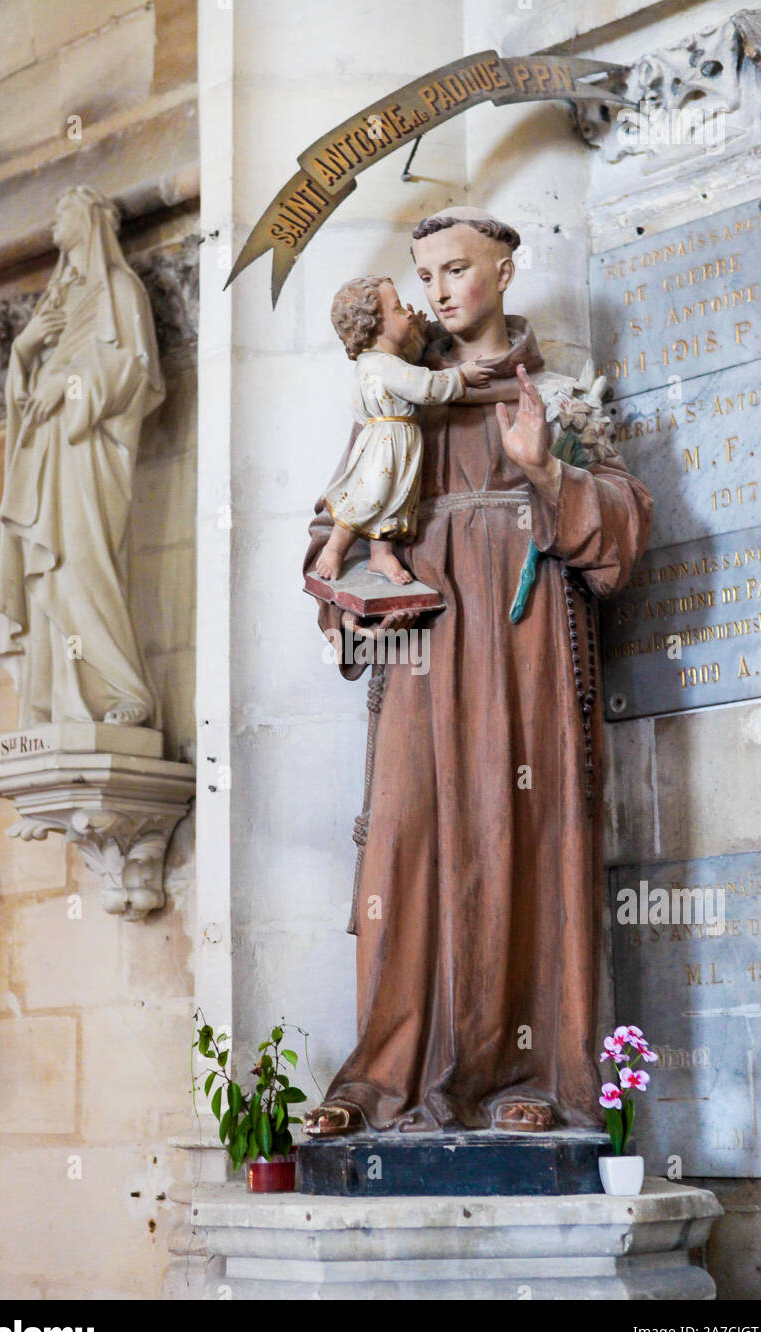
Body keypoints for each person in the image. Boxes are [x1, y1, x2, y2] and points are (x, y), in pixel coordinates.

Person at [303, 207, 653, 1135]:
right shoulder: (406, 396)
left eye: (457, 268)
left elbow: (621, 534)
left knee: (520, 832)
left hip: (528, 653)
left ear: (504, 271)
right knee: (405, 844)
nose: (440, 290)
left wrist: (545, 474)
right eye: (424, 277)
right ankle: (382, 1078)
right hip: (421, 656)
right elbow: (338, 512)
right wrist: (342, 591)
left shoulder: (557, 392)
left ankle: (528, 1078)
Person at [0, 186, 165, 729]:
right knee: (48, 572)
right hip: (46, 451)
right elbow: (26, 390)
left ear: (89, 217)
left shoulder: (119, 288)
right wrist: (22, 350)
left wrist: (66, 387)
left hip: (85, 449)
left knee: (82, 567)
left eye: (61, 212)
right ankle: (60, 705)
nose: (51, 225)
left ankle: (122, 689)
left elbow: (133, 370)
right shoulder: (57, 301)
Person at [316, 275, 492, 585]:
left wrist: (418, 337)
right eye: (398, 309)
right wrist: (461, 376)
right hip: (385, 446)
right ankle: (334, 548)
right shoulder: (382, 365)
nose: (408, 312)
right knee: (368, 497)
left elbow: (407, 368)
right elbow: (423, 386)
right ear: (374, 325)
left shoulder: (385, 361)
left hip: (397, 443)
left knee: (394, 500)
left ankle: (380, 554)